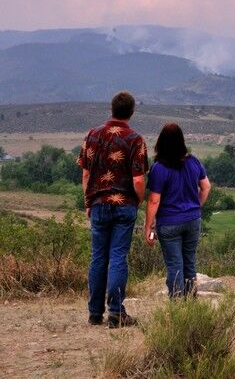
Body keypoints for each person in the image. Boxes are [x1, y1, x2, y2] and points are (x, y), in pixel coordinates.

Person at [80, 91, 148, 328]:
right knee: (118, 257)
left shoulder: (92, 135)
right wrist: (138, 200)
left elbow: (86, 173)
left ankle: (94, 313)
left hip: (98, 205)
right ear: (131, 112)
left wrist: (88, 202)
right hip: (124, 206)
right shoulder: (135, 139)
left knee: (98, 257)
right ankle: (117, 312)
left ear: (111, 109)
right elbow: (138, 179)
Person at [144, 123, 211, 298]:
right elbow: (206, 187)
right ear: (181, 141)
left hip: (169, 222)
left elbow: (154, 200)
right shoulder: (193, 161)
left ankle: (178, 305)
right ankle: (190, 303)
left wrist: (148, 227)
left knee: (175, 265)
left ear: (161, 142)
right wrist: (196, 207)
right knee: (189, 262)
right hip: (192, 220)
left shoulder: (159, 168)